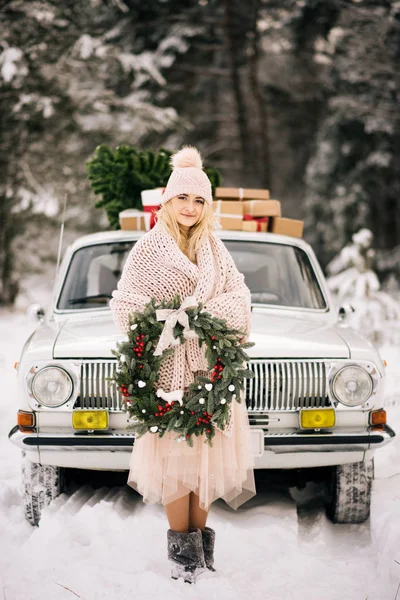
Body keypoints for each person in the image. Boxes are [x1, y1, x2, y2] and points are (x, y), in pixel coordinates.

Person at [110, 145, 256, 583]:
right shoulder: (148, 248)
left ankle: (202, 552)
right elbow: (125, 304)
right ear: (168, 201)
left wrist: (203, 319)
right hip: (169, 371)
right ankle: (182, 558)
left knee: (205, 459)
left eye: (199, 200)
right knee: (176, 460)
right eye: (183, 198)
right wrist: (167, 320)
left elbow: (240, 298)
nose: (190, 207)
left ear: (206, 205)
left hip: (210, 372)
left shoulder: (215, 248)